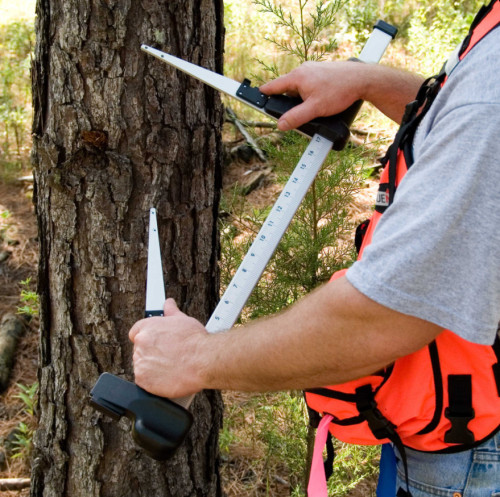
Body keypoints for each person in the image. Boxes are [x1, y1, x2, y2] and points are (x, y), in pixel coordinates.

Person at [129, 3, 500, 495]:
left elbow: (390, 314)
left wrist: (194, 359)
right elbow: (468, 123)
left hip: (467, 451)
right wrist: (374, 83)